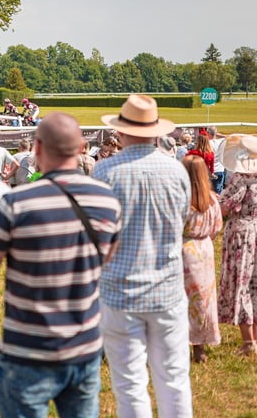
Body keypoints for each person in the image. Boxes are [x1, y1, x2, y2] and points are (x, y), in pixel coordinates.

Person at [0, 112, 121, 418]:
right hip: (84, 346)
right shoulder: (107, 200)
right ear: (82, 148)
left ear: (37, 148)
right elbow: (109, 262)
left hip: (28, 350)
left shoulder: (15, 203)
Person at [94, 94, 193, 418]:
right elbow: (181, 221)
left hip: (120, 292)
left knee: (130, 384)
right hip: (167, 290)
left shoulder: (104, 171)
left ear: (121, 132)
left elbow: (97, 232)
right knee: (174, 379)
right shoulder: (176, 171)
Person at [180, 155, 223, 363]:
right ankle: (200, 346)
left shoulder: (180, 200)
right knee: (203, 300)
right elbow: (217, 227)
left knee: (182, 299)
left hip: (183, 249)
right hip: (204, 248)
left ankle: (181, 343)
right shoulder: (212, 199)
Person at [217, 134, 257, 356]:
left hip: (242, 233)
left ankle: (248, 341)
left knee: (241, 282)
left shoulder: (240, 180)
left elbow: (224, 207)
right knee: (254, 283)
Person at [207, 126, 227, 193]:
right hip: (219, 170)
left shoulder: (207, 143)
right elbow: (228, 137)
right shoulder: (221, 141)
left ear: (208, 133)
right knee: (218, 193)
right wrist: (216, 134)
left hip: (210, 171)